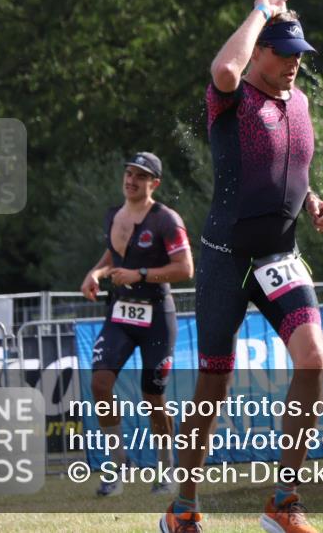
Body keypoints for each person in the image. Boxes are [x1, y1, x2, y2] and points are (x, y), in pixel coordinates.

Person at [161, 0, 323, 533]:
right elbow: (223, 71)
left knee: (313, 359)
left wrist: (310, 199)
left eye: (299, 57)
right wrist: (260, 11)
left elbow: (288, 164)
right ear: (258, 48)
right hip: (224, 260)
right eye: (282, 55)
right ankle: (183, 508)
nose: (292, 66)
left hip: (279, 255)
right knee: (214, 382)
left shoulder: (299, 101)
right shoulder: (231, 98)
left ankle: (283, 503)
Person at [80, 152, 194, 497]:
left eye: (140, 176)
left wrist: (140, 274)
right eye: (128, 173)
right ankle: (117, 464)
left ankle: (165, 468)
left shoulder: (166, 220)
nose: (131, 180)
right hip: (119, 313)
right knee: (100, 384)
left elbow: (185, 269)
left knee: (152, 397)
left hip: (157, 316)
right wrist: (96, 272)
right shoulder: (113, 214)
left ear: (153, 184)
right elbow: (115, 254)